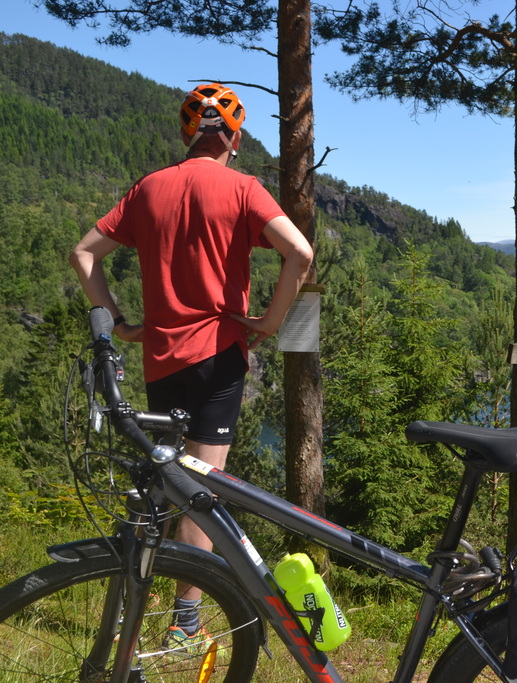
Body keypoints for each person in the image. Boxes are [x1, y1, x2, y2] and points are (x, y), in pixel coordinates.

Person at [70, 83, 313, 652]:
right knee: (201, 491)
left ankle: (137, 597)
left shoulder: (149, 188)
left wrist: (118, 321)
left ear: (187, 133)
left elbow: (84, 254)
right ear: (233, 137)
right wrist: (271, 323)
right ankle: (185, 620)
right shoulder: (244, 188)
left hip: (161, 358)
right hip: (219, 357)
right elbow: (299, 252)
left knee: (165, 478)